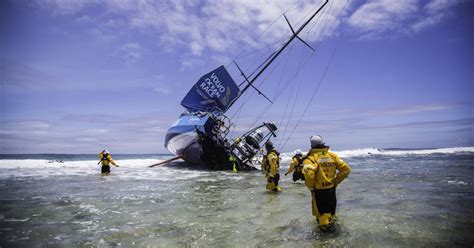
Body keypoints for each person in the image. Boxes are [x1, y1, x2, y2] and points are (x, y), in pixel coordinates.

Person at [302, 135, 351, 231]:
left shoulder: (311, 158)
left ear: (312, 145)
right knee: (331, 213)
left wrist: (311, 187)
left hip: (319, 191)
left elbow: (309, 175)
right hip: (331, 190)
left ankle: (324, 241)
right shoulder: (332, 155)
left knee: (321, 215)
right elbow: (346, 170)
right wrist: (336, 182)